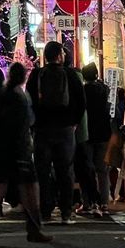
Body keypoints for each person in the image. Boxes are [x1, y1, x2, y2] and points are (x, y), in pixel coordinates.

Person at [0, 62, 53, 247]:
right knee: (30, 193)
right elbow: (26, 124)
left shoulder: (0, 96)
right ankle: (34, 229)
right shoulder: (20, 99)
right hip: (17, 153)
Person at [26, 41, 86, 224]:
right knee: (65, 171)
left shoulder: (36, 74)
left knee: (42, 171)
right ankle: (66, 212)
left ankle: (45, 211)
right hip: (65, 129)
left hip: (42, 129)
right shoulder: (71, 75)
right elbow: (81, 103)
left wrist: (34, 124)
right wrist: (73, 122)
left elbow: (29, 101)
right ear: (60, 56)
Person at [81, 62, 111, 213]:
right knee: (102, 170)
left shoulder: (83, 90)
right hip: (104, 133)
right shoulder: (104, 89)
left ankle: (88, 202)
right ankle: (104, 202)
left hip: (87, 132)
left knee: (87, 169)